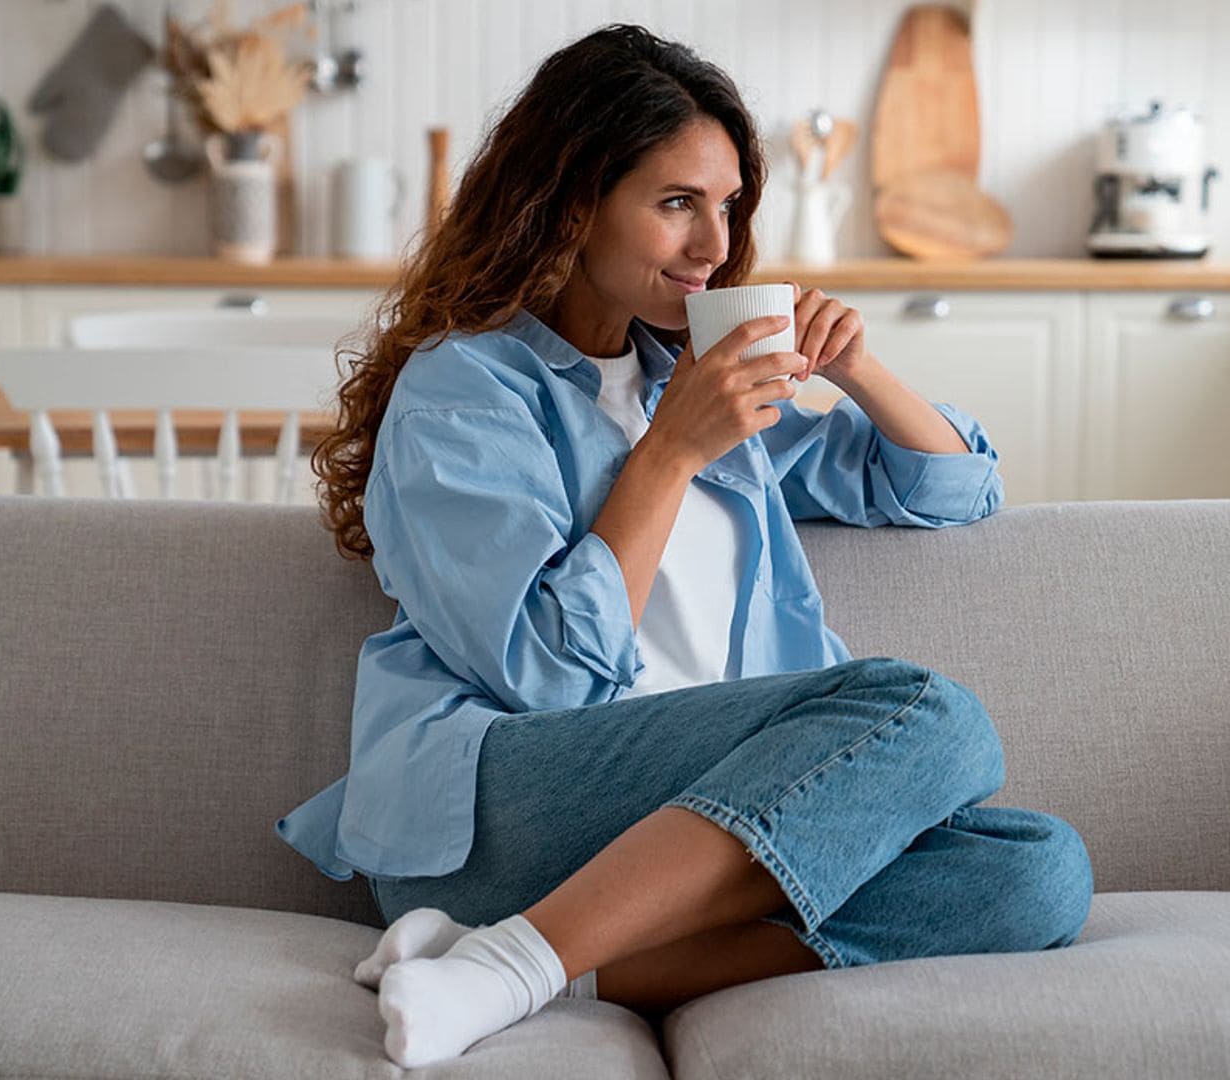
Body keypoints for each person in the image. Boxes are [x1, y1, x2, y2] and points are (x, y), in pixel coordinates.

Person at [276, 23, 1093, 1069]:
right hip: (508, 811)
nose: (714, 245)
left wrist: (858, 367)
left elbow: (952, 490)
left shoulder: (689, 375)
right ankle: (505, 955)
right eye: (676, 203)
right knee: (929, 715)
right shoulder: (463, 390)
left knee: (1037, 875)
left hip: (707, 823)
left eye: (727, 205)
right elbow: (550, 676)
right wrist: (668, 455)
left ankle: (526, 965)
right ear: (572, 204)